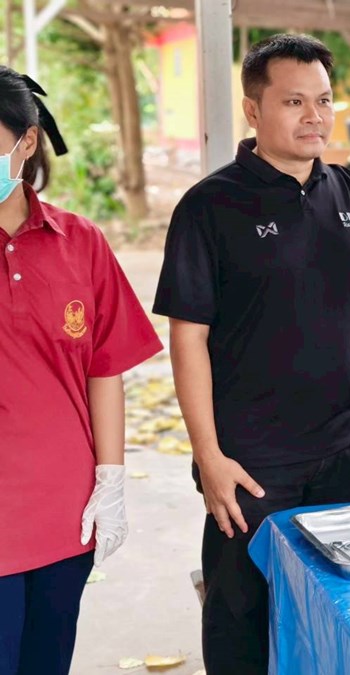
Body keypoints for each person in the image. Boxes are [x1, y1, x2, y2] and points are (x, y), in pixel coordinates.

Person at [153, 34, 350, 674]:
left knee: (331, 616)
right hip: (249, 461)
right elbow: (188, 339)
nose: (315, 116)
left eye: (325, 100)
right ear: (253, 110)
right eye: (294, 101)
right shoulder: (210, 205)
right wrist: (210, 457)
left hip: (339, 451)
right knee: (241, 618)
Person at [0, 66, 162, 675]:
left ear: (27, 142)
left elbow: (104, 368)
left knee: (46, 661)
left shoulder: (80, 242)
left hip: (63, 513)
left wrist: (111, 481)